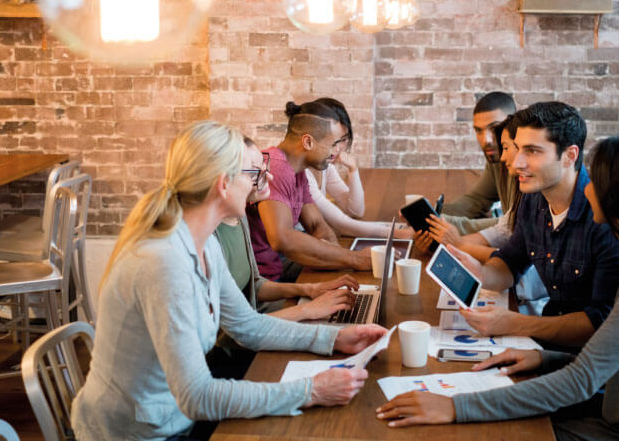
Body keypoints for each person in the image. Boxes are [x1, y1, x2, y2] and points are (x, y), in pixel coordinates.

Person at [377, 134, 619, 440]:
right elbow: (614, 357)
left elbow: (583, 379)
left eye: (597, 180)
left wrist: (455, 406)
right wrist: (543, 358)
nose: (588, 187)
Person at [72, 121, 386, 441]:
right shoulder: (163, 263)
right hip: (140, 433)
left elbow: (249, 326)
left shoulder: (205, 240)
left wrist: (334, 339)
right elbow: (198, 397)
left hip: (175, 418)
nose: (265, 180)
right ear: (223, 184)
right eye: (253, 173)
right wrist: (311, 391)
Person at [449, 102, 619, 348]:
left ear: (569, 156)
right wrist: (481, 274)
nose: (517, 163)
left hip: (588, 362)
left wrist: (515, 323)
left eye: (532, 151)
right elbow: (511, 262)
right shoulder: (532, 199)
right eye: (518, 148)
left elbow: (601, 323)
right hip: (547, 344)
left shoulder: (602, 217)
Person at [216, 137, 358, 321]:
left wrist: (309, 289)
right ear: (224, 181)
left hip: (253, 316)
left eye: (264, 167)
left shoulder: (239, 217)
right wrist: (307, 310)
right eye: (253, 172)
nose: (269, 177)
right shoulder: (210, 238)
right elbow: (237, 328)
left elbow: (255, 285)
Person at [419, 116, 548, 315]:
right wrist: (447, 242)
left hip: (532, 309)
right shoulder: (527, 198)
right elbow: (503, 240)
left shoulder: (536, 192)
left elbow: (526, 270)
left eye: (506, 147)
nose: (504, 156)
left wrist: (459, 244)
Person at [246, 101, 373, 282]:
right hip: (264, 280)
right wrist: (355, 259)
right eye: (333, 144)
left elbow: (316, 225)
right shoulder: (276, 167)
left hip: (280, 266)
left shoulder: (298, 171)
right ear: (307, 142)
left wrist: (338, 254)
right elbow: (282, 239)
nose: (336, 151)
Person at [304, 98, 414, 240]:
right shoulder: (304, 173)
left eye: (342, 140)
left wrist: (353, 170)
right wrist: (397, 234)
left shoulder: (325, 167)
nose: (337, 148)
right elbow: (343, 225)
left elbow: (355, 211)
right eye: (333, 140)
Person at [438, 92, 517, 235]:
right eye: (479, 130)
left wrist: (444, 224)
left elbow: (514, 224)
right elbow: (478, 199)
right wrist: (433, 213)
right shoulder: (496, 160)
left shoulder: (527, 166)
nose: (485, 139)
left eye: (494, 128)